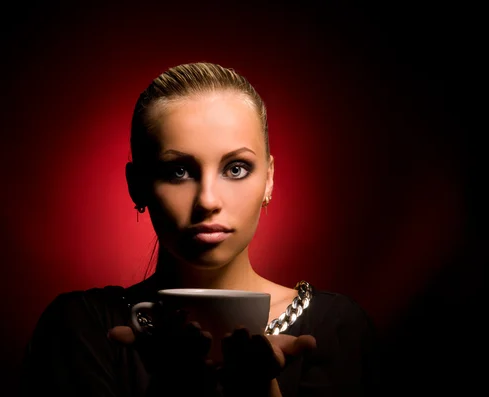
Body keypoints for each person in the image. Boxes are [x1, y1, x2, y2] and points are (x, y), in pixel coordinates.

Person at [20, 62, 380, 397]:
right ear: (137, 185)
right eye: (178, 171)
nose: (207, 200)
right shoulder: (81, 327)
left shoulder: (337, 329)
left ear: (269, 179)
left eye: (236, 168)